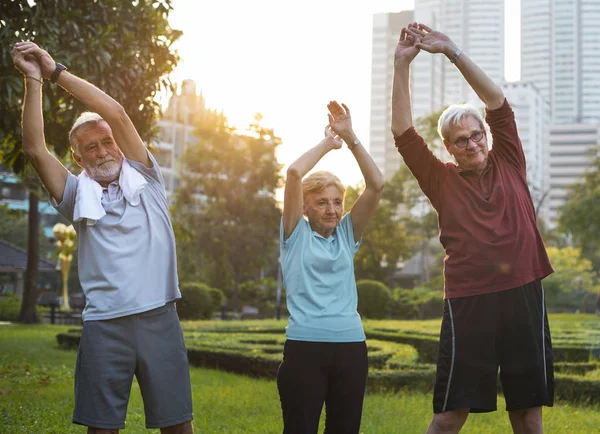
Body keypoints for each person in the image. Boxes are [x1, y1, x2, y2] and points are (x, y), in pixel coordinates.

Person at [12, 42, 194, 434]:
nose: (103, 151)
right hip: (104, 325)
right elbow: (35, 149)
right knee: (101, 429)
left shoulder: (146, 178)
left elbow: (117, 113)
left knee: (178, 426)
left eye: (107, 141)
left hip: (158, 317)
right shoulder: (78, 194)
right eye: (90, 147)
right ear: (78, 158)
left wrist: (55, 71)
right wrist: (33, 79)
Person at [391, 24, 555, 434]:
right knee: (451, 414)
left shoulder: (510, 159)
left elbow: (497, 101)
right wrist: (401, 65)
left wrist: (451, 51)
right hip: (469, 300)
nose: (472, 143)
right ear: (449, 148)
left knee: (528, 411)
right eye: (461, 140)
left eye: (476, 134)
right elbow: (402, 133)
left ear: (486, 134)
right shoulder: (439, 179)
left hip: (522, 291)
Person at [278, 101, 384, 433]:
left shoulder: (347, 234)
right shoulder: (295, 235)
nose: (332, 209)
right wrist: (328, 142)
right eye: (322, 202)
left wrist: (351, 137)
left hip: (352, 349)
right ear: (306, 206)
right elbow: (295, 173)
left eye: (337, 201)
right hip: (305, 350)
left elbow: (376, 184)